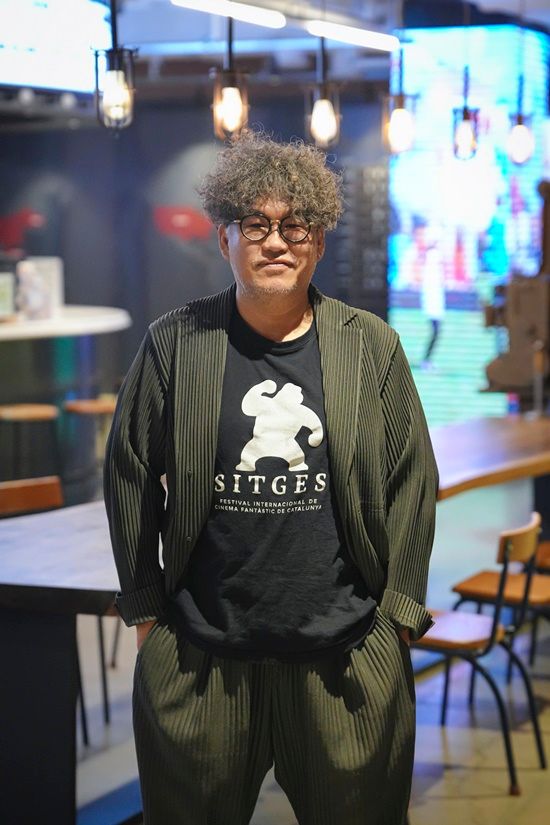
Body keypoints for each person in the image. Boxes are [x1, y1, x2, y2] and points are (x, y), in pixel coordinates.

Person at [104, 131, 438, 825]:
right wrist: (145, 609)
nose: (277, 241)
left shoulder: (370, 345)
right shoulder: (176, 343)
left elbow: (412, 478)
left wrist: (400, 617)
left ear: (319, 240)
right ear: (224, 237)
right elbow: (129, 473)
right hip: (202, 659)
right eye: (255, 223)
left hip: (344, 659)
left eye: (296, 225)